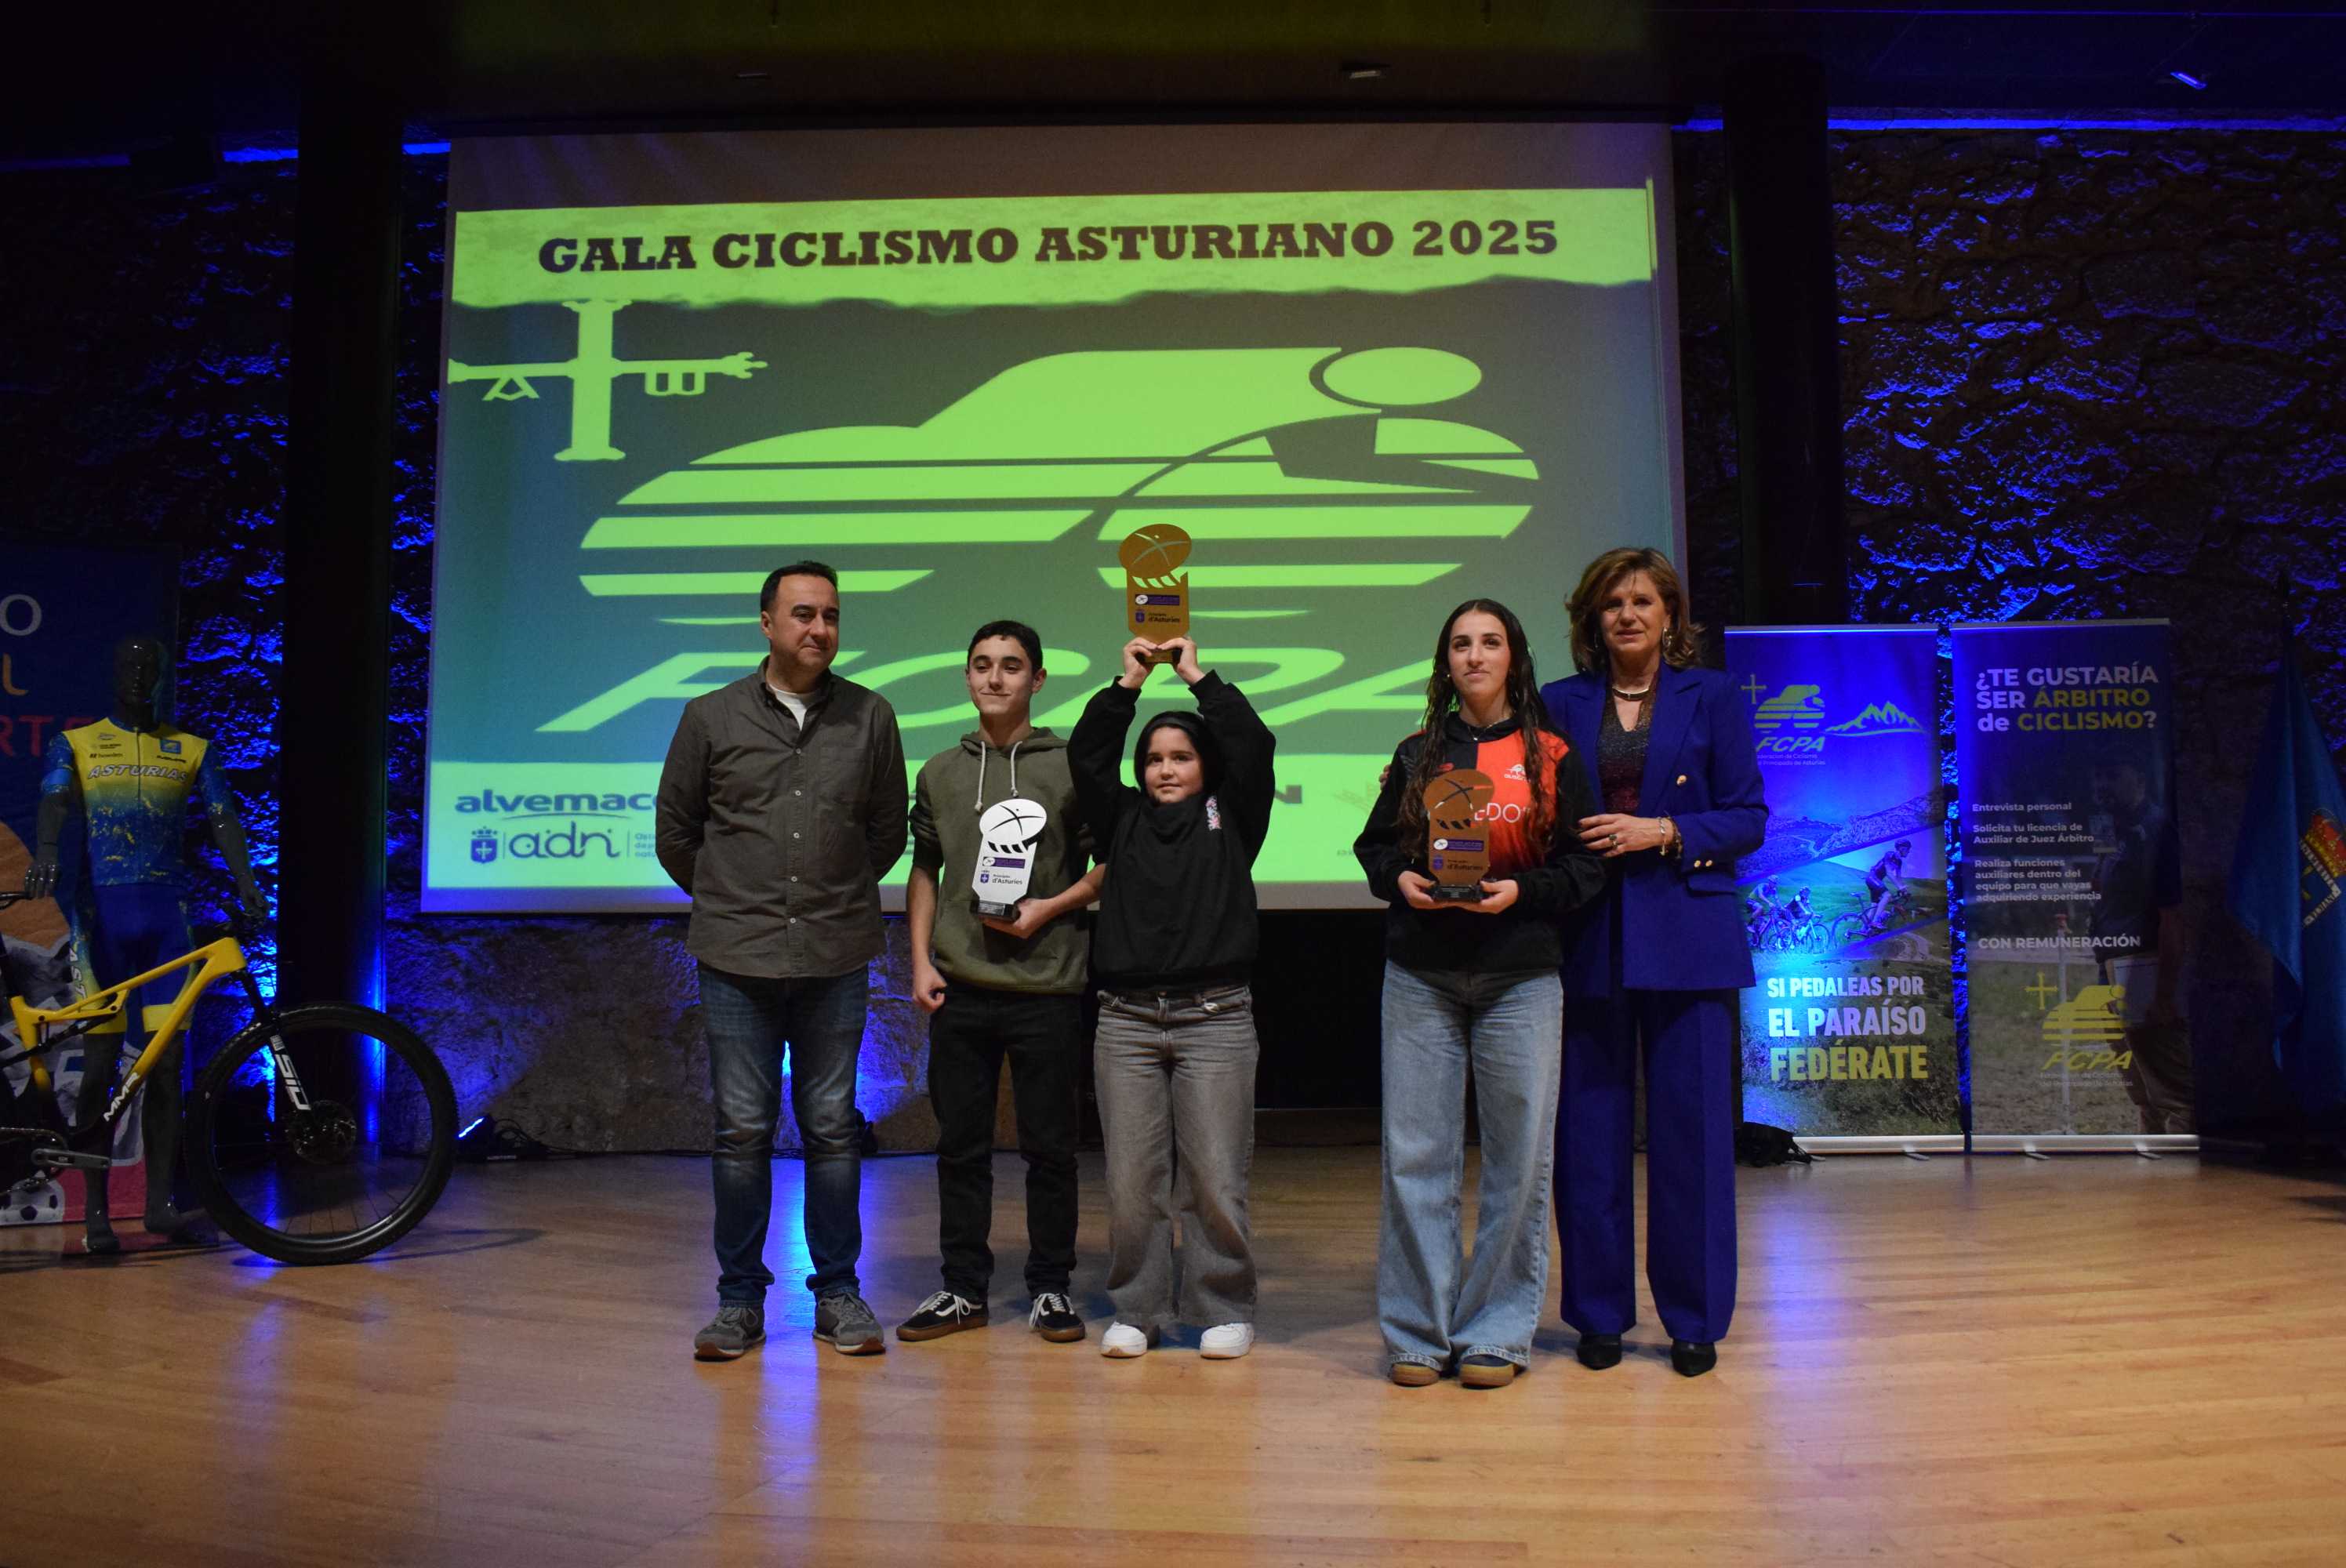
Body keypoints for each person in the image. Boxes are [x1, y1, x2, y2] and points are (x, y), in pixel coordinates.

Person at [656, 561, 909, 1363]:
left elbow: (886, 831)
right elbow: (677, 831)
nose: (819, 629)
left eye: (830, 615)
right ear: (766, 622)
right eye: (803, 614)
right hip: (736, 957)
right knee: (741, 1131)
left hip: (835, 952)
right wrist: (734, 898)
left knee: (833, 1129)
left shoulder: (871, 716)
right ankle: (738, 1302)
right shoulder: (710, 715)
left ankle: (837, 1293)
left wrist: (830, 895)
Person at [1354, 599, 1607, 1388]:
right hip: (1421, 975)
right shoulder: (1416, 752)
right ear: (1446, 662)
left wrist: (1519, 893)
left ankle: (1496, 1330)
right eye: (1460, 643)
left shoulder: (1553, 753)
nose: (1474, 655)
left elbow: (1584, 867)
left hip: (1520, 976)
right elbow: (1375, 847)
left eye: (1489, 642)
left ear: (1513, 658)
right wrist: (1399, 880)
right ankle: (1417, 1334)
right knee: (1415, 1159)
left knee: (1517, 1164)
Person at [1542, 546, 1766, 1379]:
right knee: (1587, 1139)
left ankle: (1694, 1319)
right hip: (1588, 936)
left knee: (1693, 1142)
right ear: (1592, 619)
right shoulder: (1558, 701)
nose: (1627, 615)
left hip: (1689, 937)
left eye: (1642, 601)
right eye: (1612, 603)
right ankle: (1598, 1315)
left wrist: (1665, 831)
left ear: (1670, 614)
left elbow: (1748, 816)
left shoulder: (1715, 695)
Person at [899, 620, 1106, 1345]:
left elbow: (1109, 863)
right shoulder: (939, 771)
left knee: (1050, 1150)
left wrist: (1050, 907)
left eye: (1011, 666)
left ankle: (1050, 1286)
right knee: (960, 1148)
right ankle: (963, 1289)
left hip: (1047, 985)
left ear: (1037, 679)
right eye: (982, 664)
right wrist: (920, 960)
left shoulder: (1071, 767)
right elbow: (925, 869)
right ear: (966, 676)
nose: (994, 678)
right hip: (962, 986)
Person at [1069, 634, 1274, 1359]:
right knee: (1133, 1184)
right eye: (1154, 758)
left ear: (1205, 766)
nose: (1165, 769)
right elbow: (1087, 755)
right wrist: (1127, 684)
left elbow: (1253, 745)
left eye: (1181, 757)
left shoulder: (1232, 815)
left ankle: (1221, 1307)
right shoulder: (1121, 818)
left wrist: (1195, 677)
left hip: (1215, 1020)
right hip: (1125, 1023)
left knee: (1215, 1179)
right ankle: (1139, 1308)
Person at [26, 635, 267, 1253]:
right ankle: (97, 1215)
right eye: (128, 665)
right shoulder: (78, 743)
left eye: (148, 667)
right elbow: (55, 797)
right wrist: (47, 851)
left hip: (167, 923)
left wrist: (247, 881)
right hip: (101, 922)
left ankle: (160, 1205)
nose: (138, 675)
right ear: (114, 672)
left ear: (161, 676)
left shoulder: (191, 748)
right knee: (101, 1065)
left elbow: (223, 815)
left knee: (165, 1069)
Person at [2089, 759, 2191, 1133]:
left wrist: (2164, 993)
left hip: (2143, 966)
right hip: (2110, 964)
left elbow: (2173, 916)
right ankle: (2152, 1153)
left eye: (2113, 774)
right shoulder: (2110, 828)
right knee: (2139, 1085)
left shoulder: (2156, 831)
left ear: (2141, 780)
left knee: (2172, 1086)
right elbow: (2102, 888)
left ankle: (2183, 1160)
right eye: (2099, 776)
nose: (2103, 784)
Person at [1863, 840, 1912, 933]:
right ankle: (1876, 922)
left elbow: (1898, 877)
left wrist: (1904, 890)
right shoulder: (1889, 855)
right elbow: (1889, 872)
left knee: (1874, 906)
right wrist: (1900, 887)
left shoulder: (1899, 862)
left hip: (1876, 881)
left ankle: (1863, 930)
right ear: (1902, 848)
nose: (1909, 851)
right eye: (1908, 849)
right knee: (1887, 895)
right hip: (1872, 878)